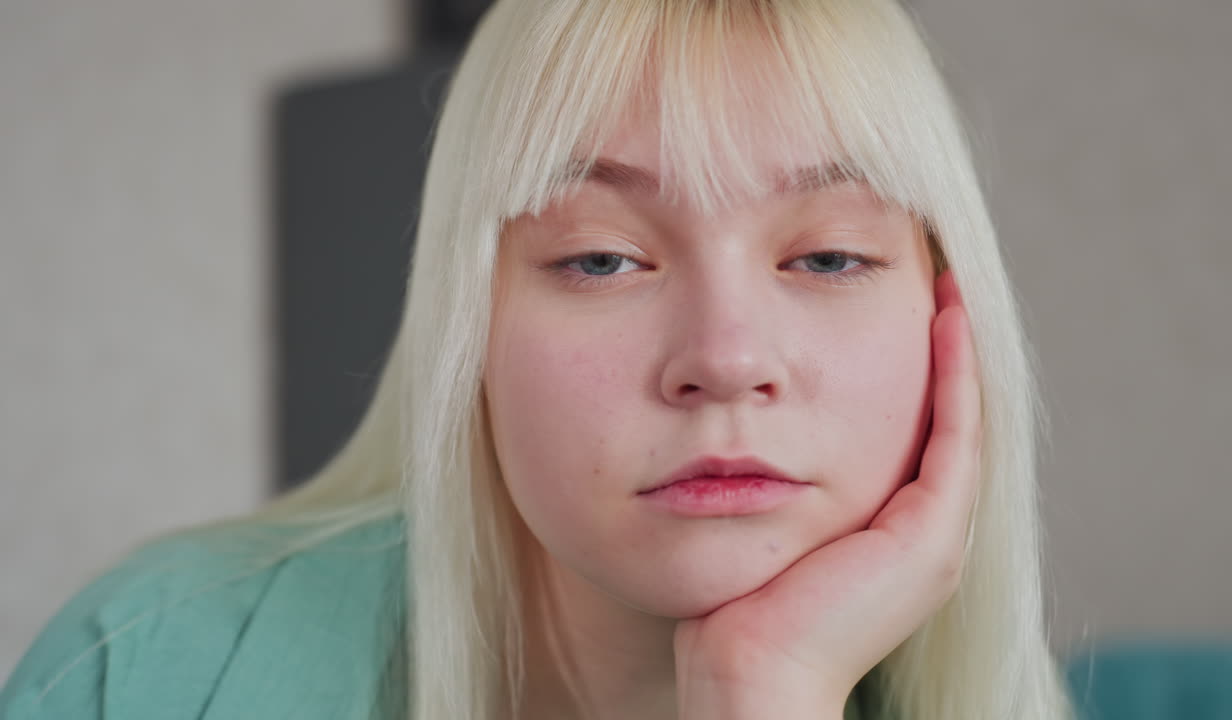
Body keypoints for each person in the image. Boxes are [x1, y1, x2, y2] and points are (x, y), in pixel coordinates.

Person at [1, 1, 1076, 718]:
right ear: (466, 324)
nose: (726, 357)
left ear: (950, 315)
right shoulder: (150, 669)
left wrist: (768, 690)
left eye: (830, 254)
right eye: (602, 259)